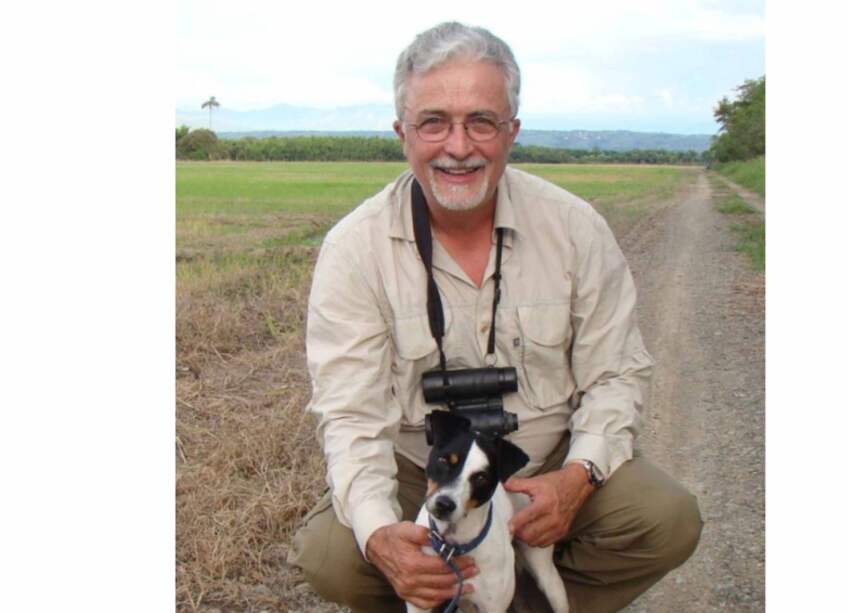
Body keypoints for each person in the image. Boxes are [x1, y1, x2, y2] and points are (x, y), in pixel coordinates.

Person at [288, 21, 702, 612]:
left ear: (512, 132)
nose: (459, 146)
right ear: (402, 133)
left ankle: (519, 601)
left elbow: (615, 377)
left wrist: (577, 478)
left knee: (667, 518)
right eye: (434, 122)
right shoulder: (354, 249)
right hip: (425, 472)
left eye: (481, 121)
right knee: (333, 554)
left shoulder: (575, 228)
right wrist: (382, 536)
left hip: (546, 467)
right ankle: (438, 594)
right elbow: (351, 416)